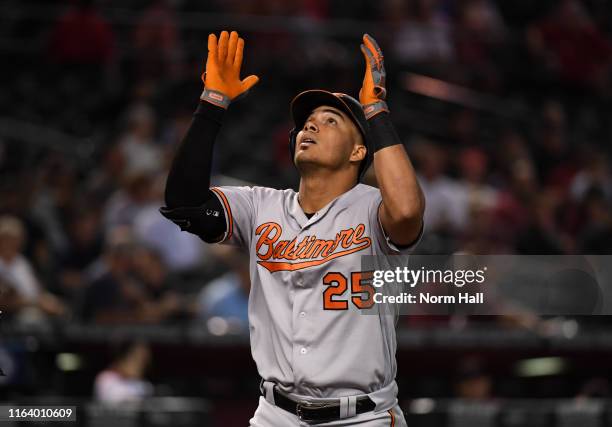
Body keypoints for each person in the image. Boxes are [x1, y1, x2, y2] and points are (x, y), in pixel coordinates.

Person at [161, 30, 425, 426]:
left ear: (358, 152)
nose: (310, 127)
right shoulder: (261, 205)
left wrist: (375, 111)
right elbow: (185, 203)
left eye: (329, 120)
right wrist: (212, 104)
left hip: (361, 417)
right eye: (306, 123)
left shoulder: (373, 208)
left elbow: (406, 212)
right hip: (276, 414)